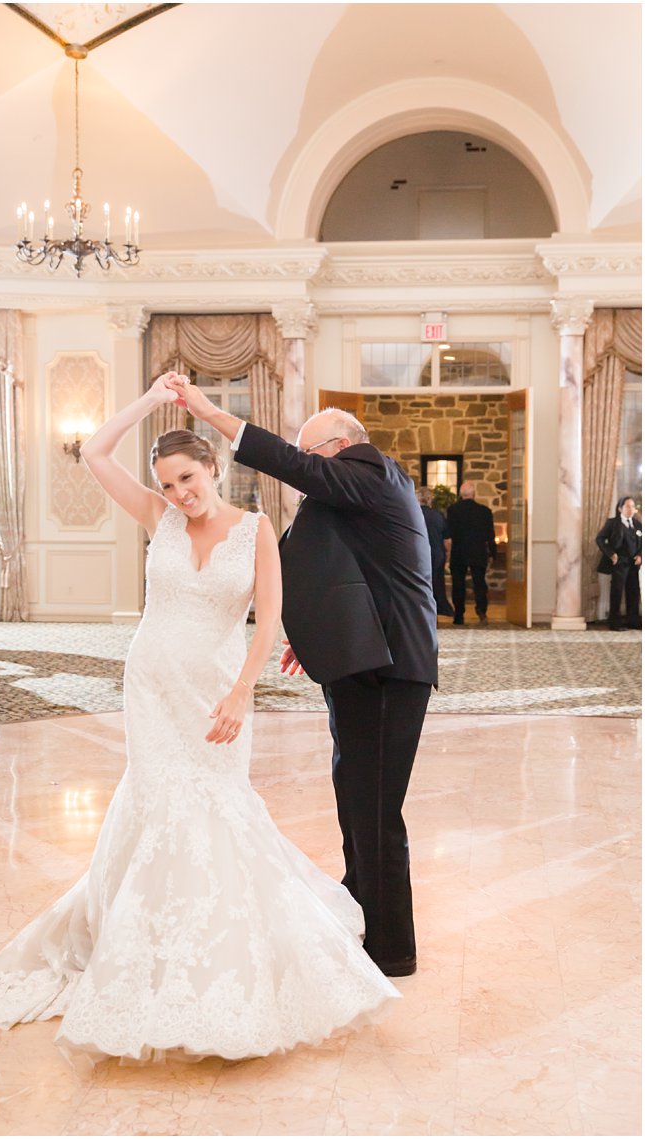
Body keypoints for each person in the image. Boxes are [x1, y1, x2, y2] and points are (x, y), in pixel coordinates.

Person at [0, 376, 398, 1061]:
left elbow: (270, 618)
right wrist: (152, 401)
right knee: (155, 803)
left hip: (216, 693)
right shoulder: (157, 518)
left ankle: (212, 954)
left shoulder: (255, 532)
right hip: (151, 690)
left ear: (214, 468)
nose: (179, 494)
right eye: (167, 484)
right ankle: (140, 941)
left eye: (187, 478)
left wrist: (244, 690)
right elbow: (97, 453)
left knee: (216, 809)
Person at [175, 378, 436, 977]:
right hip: (360, 662)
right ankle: (358, 909)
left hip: (389, 667)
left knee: (375, 807)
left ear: (341, 446)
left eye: (309, 450)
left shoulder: (373, 471)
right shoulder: (349, 499)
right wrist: (311, 630)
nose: (304, 462)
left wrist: (212, 413)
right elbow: (339, 570)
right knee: (355, 795)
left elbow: (299, 471)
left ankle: (393, 949)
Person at [445, 482, 496, 626]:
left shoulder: (452, 510)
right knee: (479, 583)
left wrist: (448, 552)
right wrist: (493, 553)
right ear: (474, 494)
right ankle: (482, 612)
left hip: (459, 551)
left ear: (461, 495)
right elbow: (490, 535)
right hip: (477, 551)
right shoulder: (484, 511)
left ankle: (459, 615)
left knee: (458, 584)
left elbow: (449, 533)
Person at [595, 495, 642, 630]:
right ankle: (615, 622)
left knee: (633, 592)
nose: (630, 509)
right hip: (619, 564)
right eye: (627, 506)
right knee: (617, 591)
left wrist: (640, 555)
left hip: (634, 564)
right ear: (620, 508)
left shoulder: (638, 524)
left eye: (632, 506)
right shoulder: (612, 523)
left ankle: (632, 620)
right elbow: (600, 539)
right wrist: (611, 554)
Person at [416, 487, 454, 618]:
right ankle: (436, 611)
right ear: (430, 499)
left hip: (418, 555)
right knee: (436, 584)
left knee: (419, 585)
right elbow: (447, 540)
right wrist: (447, 555)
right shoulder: (438, 515)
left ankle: (422, 615)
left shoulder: (413, 514)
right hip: (437, 554)